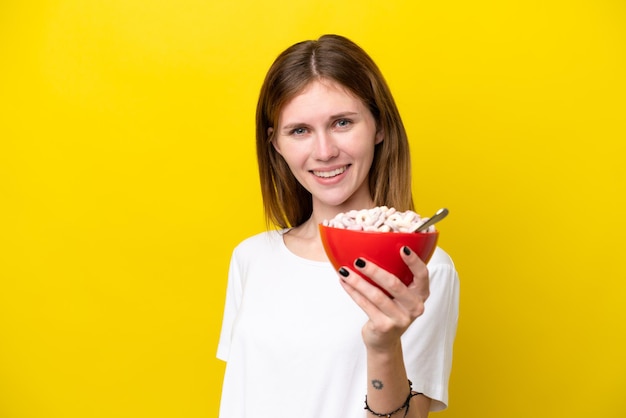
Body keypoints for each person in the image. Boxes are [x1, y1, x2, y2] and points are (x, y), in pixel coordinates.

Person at [216, 34, 460, 418]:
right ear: (275, 144)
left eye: (342, 122)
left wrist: (383, 346)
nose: (325, 151)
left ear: (378, 127)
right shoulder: (251, 257)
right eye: (299, 130)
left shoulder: (423, 268)